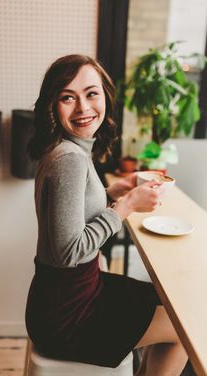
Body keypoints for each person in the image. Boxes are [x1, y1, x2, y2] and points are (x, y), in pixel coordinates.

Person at [25, 54, 187, 375]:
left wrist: (115, 191)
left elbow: (74, 211)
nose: (83, 108)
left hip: (70, 297)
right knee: (185, 324)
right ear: (53, 106)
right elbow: (68, 252)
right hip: (70, 316)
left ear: (105, 96)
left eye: (91, 93)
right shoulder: (69, 159)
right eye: (68, 97)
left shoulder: (65, 148)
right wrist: (125, 206)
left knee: (170, 301)